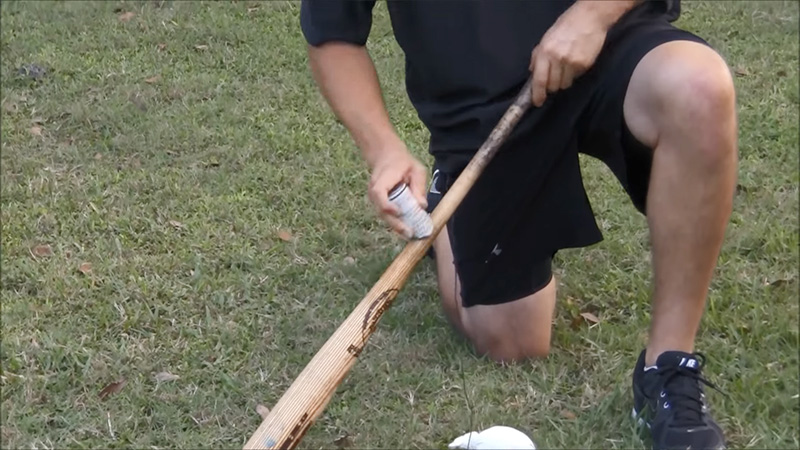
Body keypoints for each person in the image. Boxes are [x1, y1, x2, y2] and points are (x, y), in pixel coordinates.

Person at [299, 0, 738, 449]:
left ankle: (666, 366)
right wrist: (384, 150)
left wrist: (592, 15)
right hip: (481, 101)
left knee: (697, 87)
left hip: (606, 36)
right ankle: (445, 209)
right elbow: (332, 33)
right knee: (511, 341)